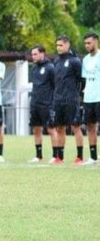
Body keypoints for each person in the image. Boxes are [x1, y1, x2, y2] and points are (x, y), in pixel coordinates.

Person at [50, 35, 84, 164]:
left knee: (75, 127)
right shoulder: (56, 61)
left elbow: (82, 80)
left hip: (71, 99)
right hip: (58, 100)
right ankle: (60, 157)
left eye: (61, 45)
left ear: (67, 45)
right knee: (60, 128)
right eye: (57, 45)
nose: (58, 47)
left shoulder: (75, 61)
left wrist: (76, 94)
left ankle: (79, 157)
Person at [28, 45, 57, 163]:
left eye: (35, 54)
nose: (33, 56)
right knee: (36, 129)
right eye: (32, 54)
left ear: (42, 53)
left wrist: (53, 102)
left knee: (51, 129)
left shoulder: (50, 68)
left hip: (47, 104)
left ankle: (56, 156)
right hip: (35, 103)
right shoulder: (33, 69)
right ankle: (38, 155)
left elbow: (55, 86)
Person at [80, 32, 99, 165]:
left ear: (96, 42)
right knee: (90, 127)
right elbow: (85, 79)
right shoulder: (85, 59)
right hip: (89, 98)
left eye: (89, 43)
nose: (87, 45)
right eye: (85, 43)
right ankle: (93, 157)